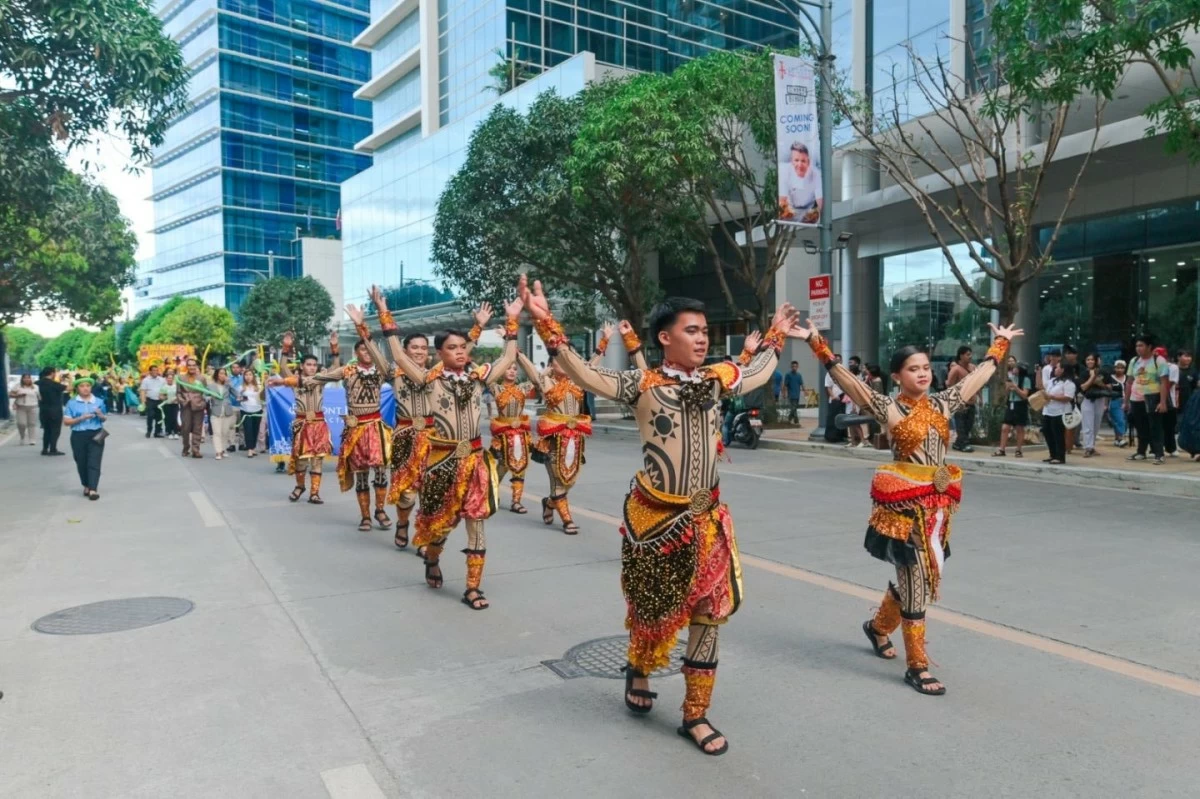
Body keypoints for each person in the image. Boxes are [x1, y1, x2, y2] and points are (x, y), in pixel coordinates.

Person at [522, 274, 802, 756]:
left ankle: (695, 714)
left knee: (709, 612)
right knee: (652, 609)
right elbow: (584, 374)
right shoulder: (641, 384)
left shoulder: (716, 379)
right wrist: (547, 323)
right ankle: (639, 667)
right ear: (665, 338)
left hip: (707, 521)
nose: (702, 339)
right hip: (655, 523)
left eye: (704, 331)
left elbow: (756, 373)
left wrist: (776, 333)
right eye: (691, 331)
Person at [800, 318, 1023, 697]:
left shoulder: (942, 403)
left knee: (918, 577)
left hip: (938, 511)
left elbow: (977, 379)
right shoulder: (889, 408)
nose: (922, 374)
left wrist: (999, 345)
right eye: (913, 369)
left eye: (925, 368)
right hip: (904, 510)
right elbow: (849, 383)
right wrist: (816, 343)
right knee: (916, 582)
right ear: (897, 376)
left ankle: (877, 628)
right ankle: (917, 666)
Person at [368, 286, 521, 611]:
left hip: (476, 462)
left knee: (476, 522)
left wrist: (512, 321)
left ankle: (472, 588)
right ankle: (432, 558)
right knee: (440, 524)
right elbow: (398, 357)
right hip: (442, 463)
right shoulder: (428, 380)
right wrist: (384, 313)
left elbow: (508, 357)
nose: (460, 352)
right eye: (452, 348)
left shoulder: (479, 378)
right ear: (439, 353)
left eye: (463, 347)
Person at [383, 310, 487, 548]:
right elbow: (394, 356)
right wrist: (381, 317)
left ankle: (426, 541)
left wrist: (478, 327)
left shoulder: (435, 374)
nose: (419, 351)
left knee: (430, 494)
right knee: (407, 494)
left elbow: (459, 352)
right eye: (414, 347)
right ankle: (402, 523)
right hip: (406, 438)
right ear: (406, 350)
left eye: (423, 348)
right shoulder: (395, 372)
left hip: (435, 441)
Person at [311, 309, 397, 532]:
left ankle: (380, 510)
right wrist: (292, 381)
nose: (367, 353)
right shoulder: (347, 370)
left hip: (376, 428)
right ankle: (365, 516)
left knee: (381, 470)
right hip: (355, 429)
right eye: (362, 349)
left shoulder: (381, 371)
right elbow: (322, 377)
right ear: (356, 352)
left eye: (370, 349)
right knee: (361, 474)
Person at [270, 331, 340, 503]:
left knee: (317, 460)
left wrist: (334, 347)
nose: (312, 367)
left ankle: (314, 493)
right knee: (301, 460)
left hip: (319, 424)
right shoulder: (294, 380)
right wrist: (286, 347)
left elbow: (336, 368)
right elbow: (283, 367)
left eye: (314, 365)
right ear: (302, 366)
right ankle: (300, 486)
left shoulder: (320, 379)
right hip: (302, 424)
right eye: (308, 365)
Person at [490, 354, 538, 516]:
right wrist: (505, 355)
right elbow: (485, 376)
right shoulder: (496, 388)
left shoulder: (522, 388)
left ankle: (516, 501)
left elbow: (537, 377)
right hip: (503, 434)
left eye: (514, 369)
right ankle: (491, 495)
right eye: (508, 368)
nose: (511, 371)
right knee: (503, 466)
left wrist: (521, 357)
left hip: (521, 434)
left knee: (520, 466)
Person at [1125, 334, 1169, 465]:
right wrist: (1125, 401)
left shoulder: (1159, 361)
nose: (1138, 348)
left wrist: (1162, 402)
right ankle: (1141, 452)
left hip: (1152, 397)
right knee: (1140, 426)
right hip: (1136, 398)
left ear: (1149, 347)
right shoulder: (1134, 361)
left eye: (1141, 345)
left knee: (1155, 426)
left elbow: (1164, 382)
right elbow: (1129, 381)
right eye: (1137, 346)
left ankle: (1159, 454)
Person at [63, 377, 107, 500]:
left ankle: (93, 489)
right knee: (81, 462)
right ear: (77, 389)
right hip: (78, 434)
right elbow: (66, 422)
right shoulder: (72, 403)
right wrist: (81, 418)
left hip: (97, 433)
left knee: (95, 461)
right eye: (82, 386)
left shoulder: (99, 401)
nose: (85, 388)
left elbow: (104, 418)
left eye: (88, 386)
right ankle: (86, 484)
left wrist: (100, 415)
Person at [993, 357, 1031, 457]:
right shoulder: (1011, 378)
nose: (1014, 369)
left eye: (1016, 368)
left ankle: (1018, 450)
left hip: (1020, 405)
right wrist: (1007, 388)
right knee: (1005, 427)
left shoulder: (1026, 379)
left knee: (1019, 428)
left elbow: (1024, 395)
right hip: (1011, 403)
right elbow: (1006, 393)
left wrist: (1015, 388)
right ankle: (1002, 449)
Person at [778, 141, 823, 224]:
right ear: (791, 161)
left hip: (809, 213)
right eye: (796, 160)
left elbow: (820, 203)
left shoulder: (816, 174)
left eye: (803, 161)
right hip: (789, 213)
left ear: (808, 162)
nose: (799, 165)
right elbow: (782, 202)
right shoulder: (784, 171)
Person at [176, 358, 209, 458]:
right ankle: (186, 448)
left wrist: (203, 403)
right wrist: (183, 401)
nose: (191, 367)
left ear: (196, 366)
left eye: (193, 365)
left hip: (198, 406)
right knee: (185, 429)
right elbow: (178, 393)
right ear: (187, 366)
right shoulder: (181, 378)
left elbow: (206, 392)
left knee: (197, 429)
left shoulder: (202, 378)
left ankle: (196, 450)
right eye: (189, 365)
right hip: (186, 406)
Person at [946, 346, 977, 452]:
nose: (970, 356)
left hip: (972, 401)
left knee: (969, 424)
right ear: (961, 356)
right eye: (968, 354)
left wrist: (979, 397)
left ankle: (958, 443)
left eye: (971, 354)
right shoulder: (955, 369)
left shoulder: (973, 367)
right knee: (961, 425)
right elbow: (950, 385)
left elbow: (977, 383)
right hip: (960, 402)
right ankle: (964, 444)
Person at [1042, 363, 1074, 464]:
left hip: (1060, 411)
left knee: (1058, 434)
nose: (1055, 369)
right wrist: (1038, 372)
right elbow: (1041, 386)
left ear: (1063, 370)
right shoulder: (1052, 381)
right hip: (1048, 411)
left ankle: (1060, 456)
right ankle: (1052, 454)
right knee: (1047, 431)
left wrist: (1053, 397)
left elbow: (1068, 397)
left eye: (1058, 367)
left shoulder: (1068, 383)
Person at [1077, 353, 1107, 458]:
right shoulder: (1083, 373)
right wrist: (1092, 377)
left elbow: (1109, 386)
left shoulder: (1103, 372)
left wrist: (1100, 383)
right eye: (1088, 359)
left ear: (1096, 361)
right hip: (1087, 399)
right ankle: (1088, 447)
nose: (1090, 361)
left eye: (1092, 359)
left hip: (1100, 399)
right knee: (1087, 424)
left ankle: (1092, 446)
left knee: (1096, 425)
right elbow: (1083, 387)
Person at [207, 368, 238, 461]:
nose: (222, 375)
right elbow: (205, 395)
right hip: (216, 411)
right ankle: (218, 451)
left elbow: (236, 394)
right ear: (217, 375)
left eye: (224, 374)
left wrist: (230, 384)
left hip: (227, 411)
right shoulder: (211, 386)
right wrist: (208, 398)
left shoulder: (227, 386)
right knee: (217, 433)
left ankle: (223, 449)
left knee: (225, 432)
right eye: (221, 373)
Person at [36, 366, 66, 456]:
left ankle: (45, 449)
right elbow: (70, 388)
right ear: (52, 373)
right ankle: (53, 449)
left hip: (43, 410)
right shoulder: (54, 384)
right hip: (55, 410)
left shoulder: (37, 384)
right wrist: (70, 379)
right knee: (55, 430)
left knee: (47, 430)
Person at [238, 370, 264, 459]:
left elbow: (262, 398)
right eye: (246, 375)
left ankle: (253, 448)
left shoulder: (258, 387)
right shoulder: (241, 387)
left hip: (257, 410)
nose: (248, 377)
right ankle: (249, 448)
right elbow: (238, 398)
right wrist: (242, 398)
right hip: (246, 410)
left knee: (255, 429)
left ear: (253, 376)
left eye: (250, 375)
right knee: (248, 429)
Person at [11, 373, 40, 446]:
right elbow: (10, 394)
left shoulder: (35, 387)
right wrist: (18, 395)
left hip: (33, 406)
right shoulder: (18, 386)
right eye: (25, 378)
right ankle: (22, 436)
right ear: (22, 379)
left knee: (32, 423)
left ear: (30, 379)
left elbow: (39, 396)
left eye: (28, 378)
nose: (27, 379)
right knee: (21, 423)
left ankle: (32, 439)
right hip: (21, 407)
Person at [824, 353, 847, 443]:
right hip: (835, 398)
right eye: (835, 359)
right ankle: (831, 437)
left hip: (844, 398)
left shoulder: (845, 371)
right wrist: (833, 396)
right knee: (833, 418)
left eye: (839, 360)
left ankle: (841, 436)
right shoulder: (830, 372)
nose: (837, 361)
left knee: (843, 418)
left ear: (841, 361)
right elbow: (828, 387)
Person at [139, 365, 166, 438]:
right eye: (153, 370)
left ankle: (157, 432)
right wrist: (143, 402)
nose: (155, 372)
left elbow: (165, 389)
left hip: (159, 401)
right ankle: (149, 431)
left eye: (156, 370)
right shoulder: (146, 380)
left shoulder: (162, 380)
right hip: (150, 400)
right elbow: (143, 391)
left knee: (159, 417)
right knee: (150, 416)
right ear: (150, 371)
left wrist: (164, 397)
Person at [159, 369, 180, 440]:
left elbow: (179, 395)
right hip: (167, 404)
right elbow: (161, 396)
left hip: (175, 404)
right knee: (168, 418)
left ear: (173, 379)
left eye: (171, 378)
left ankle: (176, 432)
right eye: (168, 378)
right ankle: (169, 432)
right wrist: (164, 397)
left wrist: (176, 399)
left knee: (175, 418)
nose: (170, 379)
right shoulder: (164, 387)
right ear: (166, 379)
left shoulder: (176, 386)